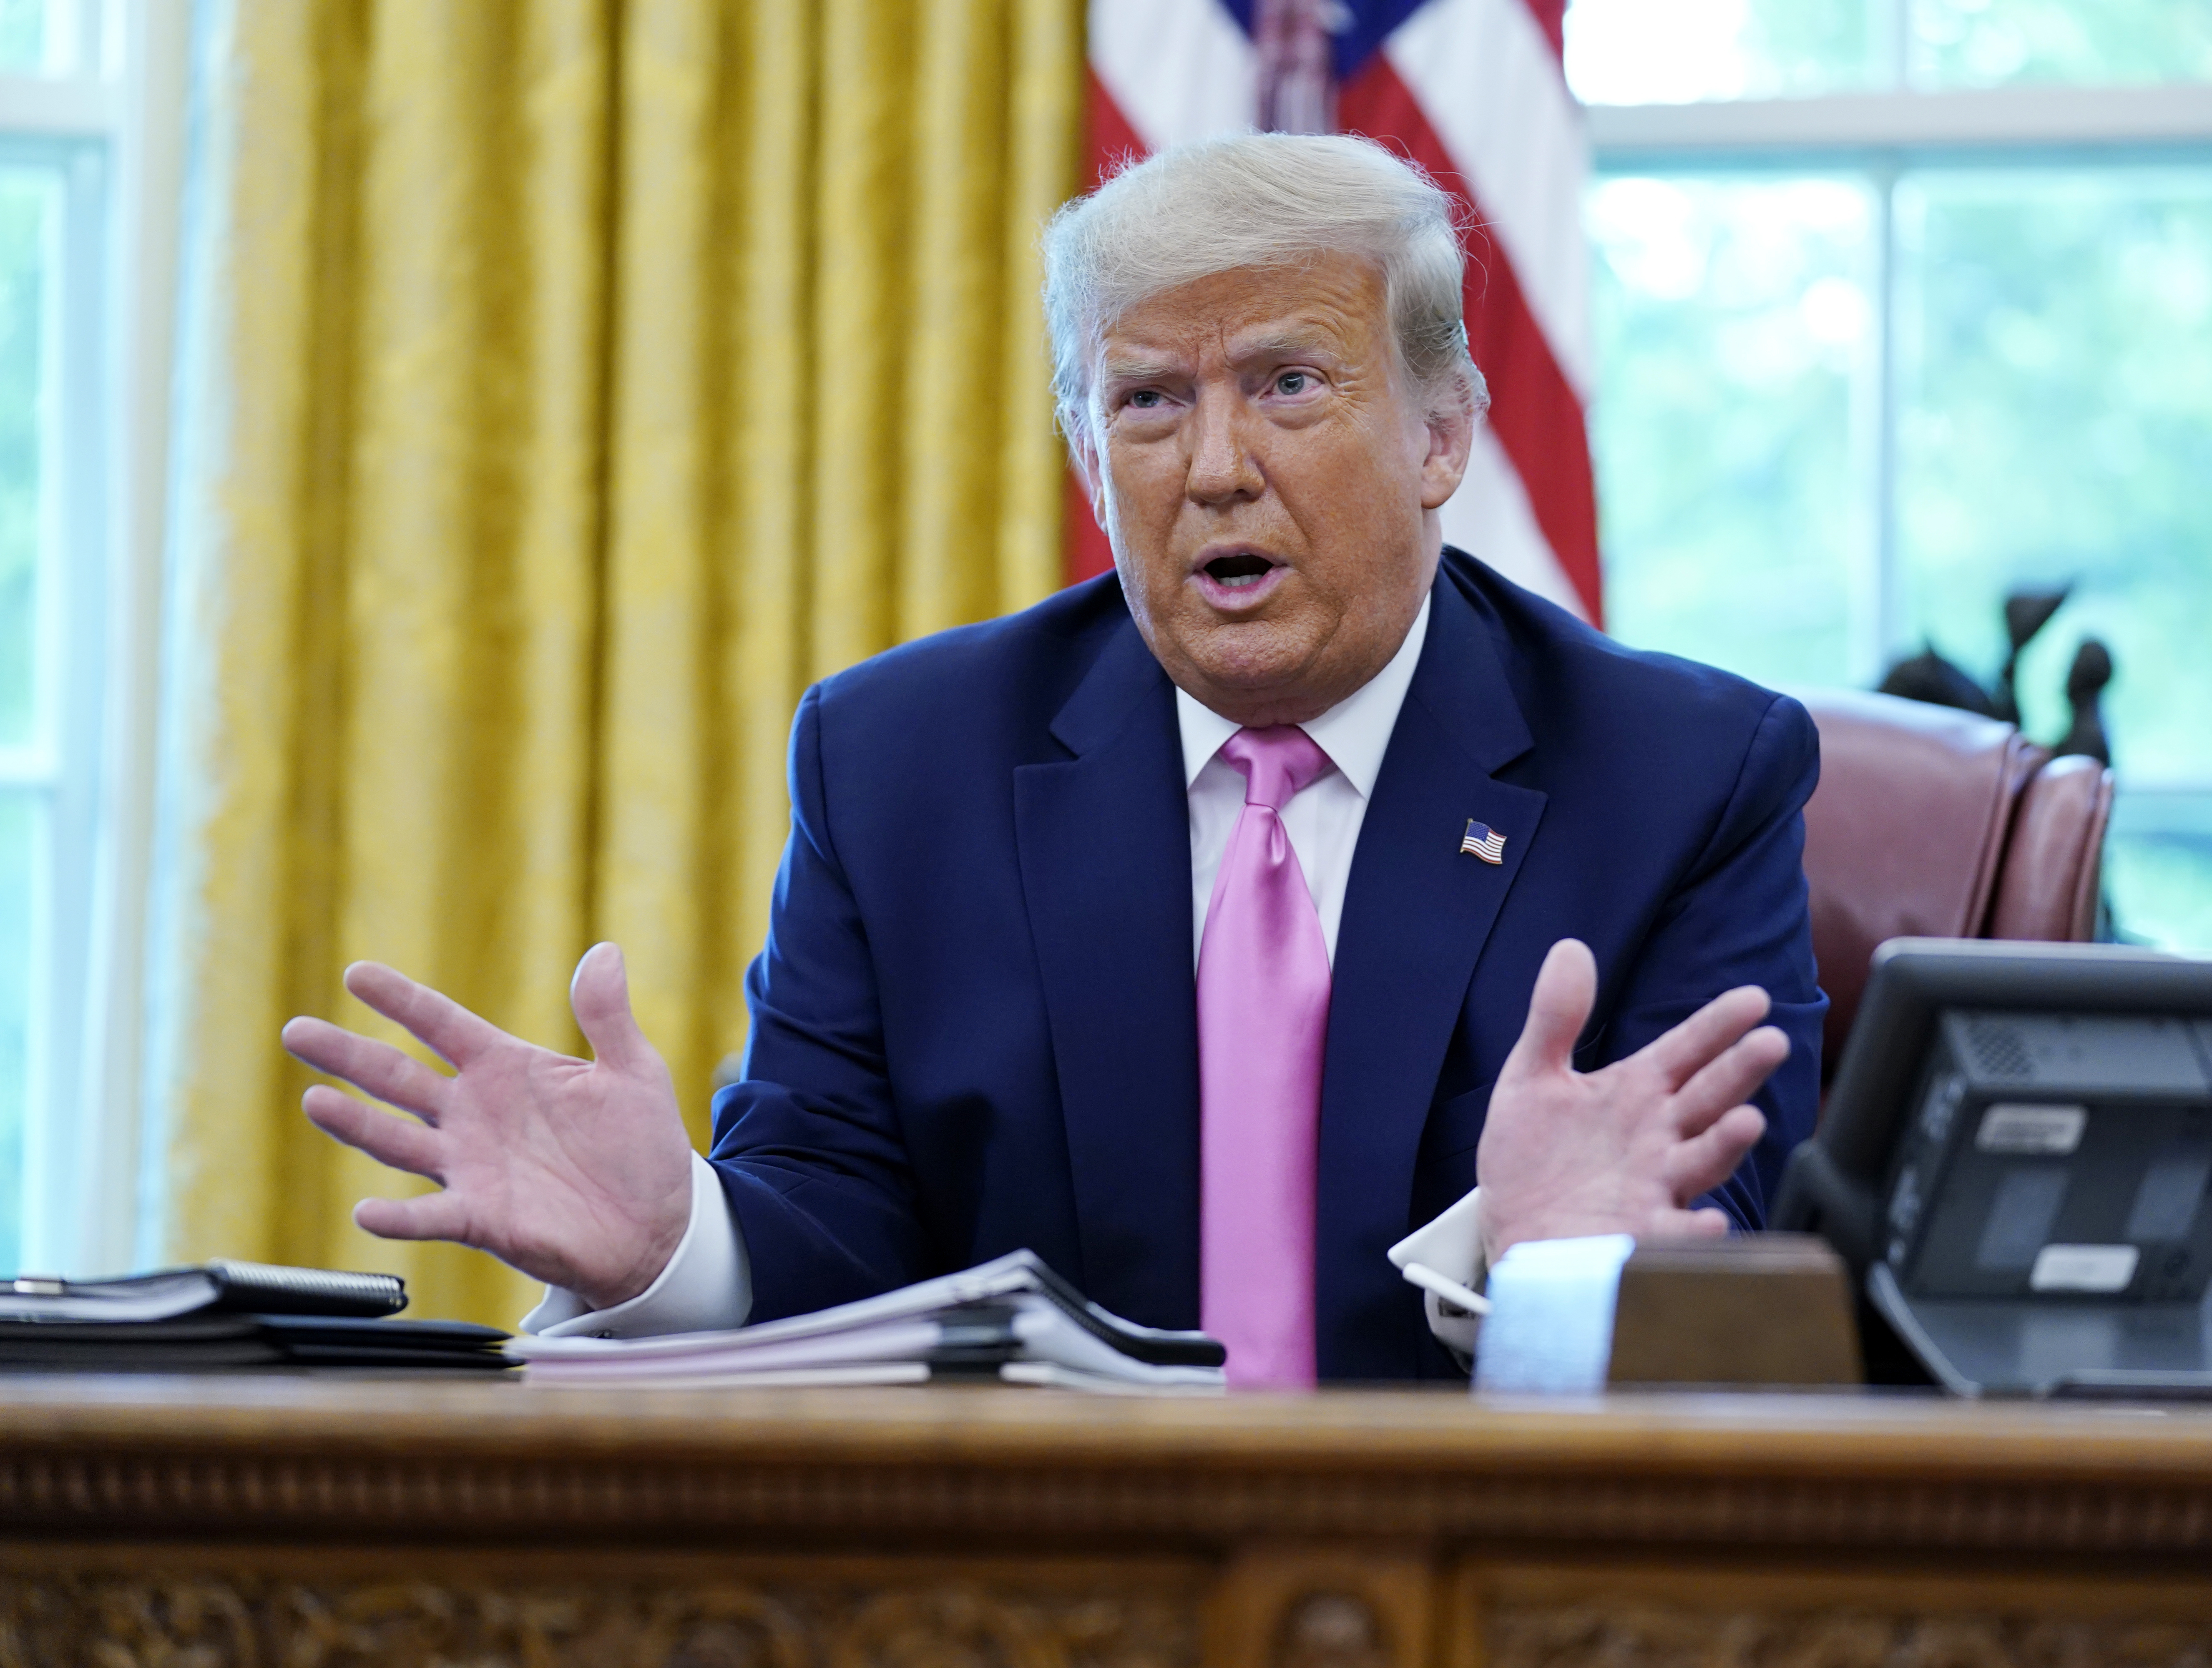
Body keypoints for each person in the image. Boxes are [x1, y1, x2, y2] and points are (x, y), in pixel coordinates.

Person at [281, 132, 1827, 1385]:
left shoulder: (1683, 776)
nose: (1216, 468)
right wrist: (679, 1242)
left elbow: (1750, 1269)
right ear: (1090, 456)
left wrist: (1544, 1262)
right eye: (1148, 402)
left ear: (1442, 435)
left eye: (1289, 385)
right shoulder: (901, 765)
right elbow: (836, 1226)